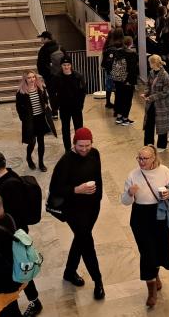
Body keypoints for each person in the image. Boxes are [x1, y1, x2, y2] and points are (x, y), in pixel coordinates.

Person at [0, 152, 43, 316]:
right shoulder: (9, 176)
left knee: (21, 269)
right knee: (22, 268)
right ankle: (35, 301)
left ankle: (35, 302)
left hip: (13, 236)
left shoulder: (5, 187)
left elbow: (6, 215)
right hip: (16, 232)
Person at [49, 128, 105, 300]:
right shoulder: (65, 162)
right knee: (87, 243)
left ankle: (69, 272)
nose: (84, 149)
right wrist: (77, 190)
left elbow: (98, 178)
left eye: (87, 145)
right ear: (74, 144)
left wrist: (98, 198)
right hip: (73, 210)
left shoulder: (94, 154)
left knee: (80, 240)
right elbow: (55, 189)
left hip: (92, 208)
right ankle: (98, 281)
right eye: (80, 146)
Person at [120, 146, 169, 308]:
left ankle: (155, 274)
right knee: (146, 252)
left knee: (159, 249)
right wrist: (130, 193)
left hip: (160, 214)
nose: (141, 161)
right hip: (140, 217)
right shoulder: (133, 175)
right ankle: (151, 290)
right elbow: (124, 202)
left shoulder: (165, 171)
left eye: (145, 158)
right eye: (139, 158)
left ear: (154, 158)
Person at [16, 70, 55, 172]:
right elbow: (19, 108)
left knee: (41, 142)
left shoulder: (40, 88)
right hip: (30, 120)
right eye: (29, 78)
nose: (32, 79)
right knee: (32, 142)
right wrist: (24, 119)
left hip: (41, 118)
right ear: (25, 79)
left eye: (33, 77)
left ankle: (41, 163)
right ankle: (29, 158)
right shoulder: (21, 92)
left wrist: (46, 106)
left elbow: (46, 99)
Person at [141, 55, 169, 150]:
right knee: (149, 125)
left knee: (162, 125)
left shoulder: (165, 75)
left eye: (150, 62)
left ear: (154, 63)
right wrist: (146, 93)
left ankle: (162, 146)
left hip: (162, 105)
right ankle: (148, 145)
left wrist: (152, 97)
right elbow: (148, 85)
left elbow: (166, 92)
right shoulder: (151, 73)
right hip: (151, 104)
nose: (149, 64)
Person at [56, 54, 86, 148]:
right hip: (64, 108)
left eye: (68, 65)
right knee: (65, 130)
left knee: (79, 129)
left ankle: (79, 146)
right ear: (61, 66)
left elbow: (83, 91)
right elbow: (53, 92)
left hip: (76, 107)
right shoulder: (57, 77)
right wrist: (56, 106)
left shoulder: (78, 76)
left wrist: (81, 104)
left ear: (71, 65)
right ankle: (67, 149)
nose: (66, 67)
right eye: (64, 65)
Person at [111, 36, 140, 126]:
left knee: (119, 98)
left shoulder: (118, 52)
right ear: (131, 43)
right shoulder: (132, 54)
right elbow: (133, 70)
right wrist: (132, 82)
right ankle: (125, 118)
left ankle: (119, 117)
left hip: (118, 80)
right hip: (127, 81)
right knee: (127, 100)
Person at [36, 31, 62, 117]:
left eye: (42, 38)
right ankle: (63, 108)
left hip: (50, 76)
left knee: (52, 94)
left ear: (46, 38)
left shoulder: (43, 49)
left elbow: (40, 64)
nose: (41, 40)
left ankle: (55, 112)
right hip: (61, 75)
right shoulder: (59, 46)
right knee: (61, 92)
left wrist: (44, 76)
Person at [101, 27, 125, 110]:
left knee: (109, 86)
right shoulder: (115, 47)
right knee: (115, 87)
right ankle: (116, 104)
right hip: (113, 70)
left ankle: (108, 102)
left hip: (108, 70)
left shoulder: (107, 45)